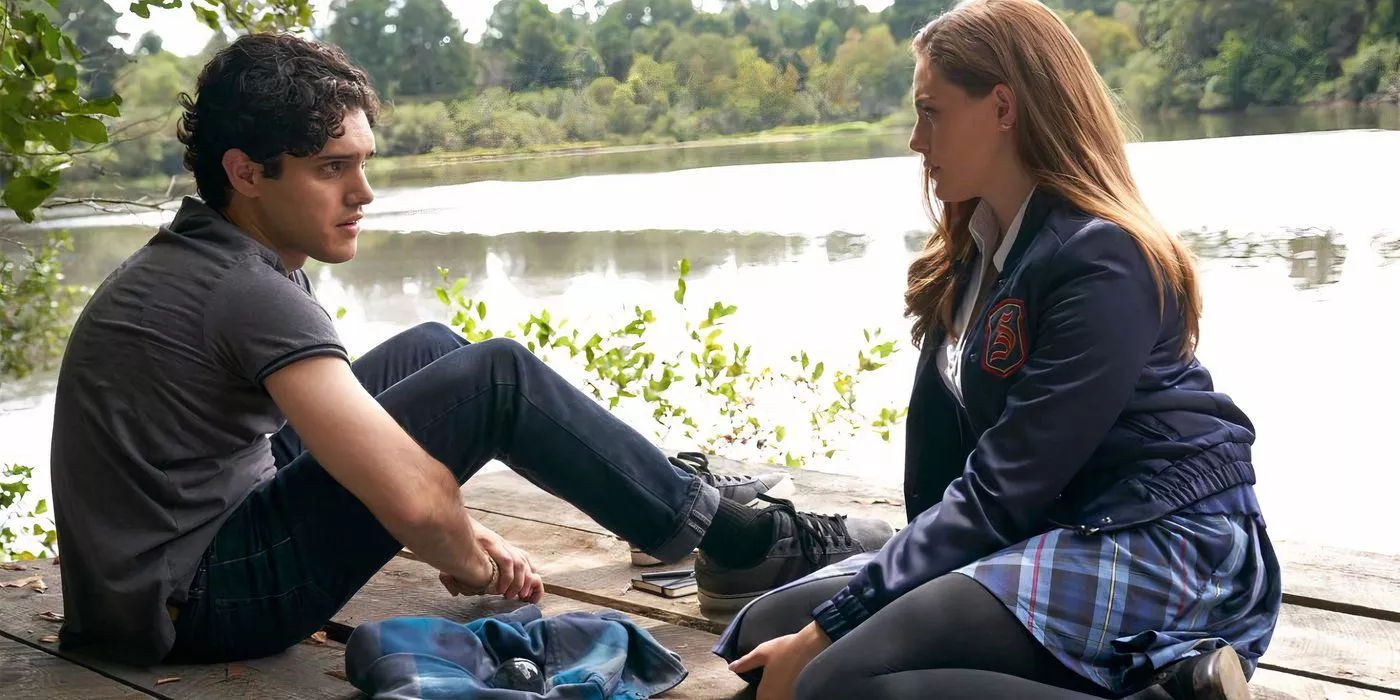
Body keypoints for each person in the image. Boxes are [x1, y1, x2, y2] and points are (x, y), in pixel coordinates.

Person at [47, 33, 895, 667]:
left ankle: (670, 492)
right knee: (496, 377)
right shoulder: (246, 289)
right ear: (246, 171)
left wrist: (461, 533)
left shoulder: (211, 256)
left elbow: (368, 461)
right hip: (194, 605)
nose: (363, 192)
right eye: (330, 168)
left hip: (162, 578)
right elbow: (414, 501)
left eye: (364, 163)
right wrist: (467, 554)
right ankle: (738, 541)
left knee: (431, 350)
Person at [711, 1, 1282, 698]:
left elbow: (1006, 486)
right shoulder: (979, 250)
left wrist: (835, 628)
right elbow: (961, 473)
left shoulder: (1103, 258)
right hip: (1053, 522)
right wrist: (873, 599)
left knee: (840, 678)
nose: (917, 140)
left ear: (1003, 108)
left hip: (1164, 533)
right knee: (763, 626)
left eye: (932, 111)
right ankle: (1160, 683)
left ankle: (1170, 689)